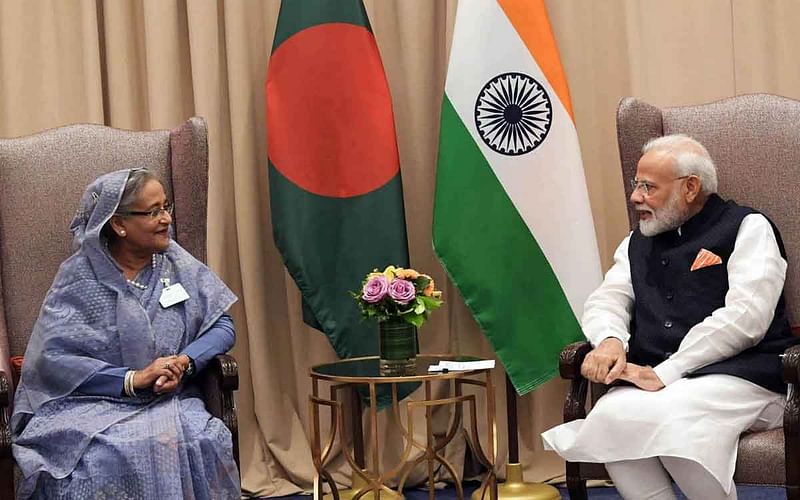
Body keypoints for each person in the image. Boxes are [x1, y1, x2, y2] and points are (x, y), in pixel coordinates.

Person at [541, 134, 799, 500]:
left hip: (746, 376)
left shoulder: (748, 228)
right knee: (611, 417)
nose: (635, 197)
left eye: (648, 187)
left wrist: (666, 372)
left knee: (677, 421)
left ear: (690, 188)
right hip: (663, 382)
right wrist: (611, 340)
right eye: (636, 185)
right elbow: (608, 299)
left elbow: (746, 318)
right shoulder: (636, 241)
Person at [11, 168, 240, 499]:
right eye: (153, 212)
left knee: (198, 440)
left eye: (167, 207)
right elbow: (52, 360)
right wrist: (132, 379)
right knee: (102, 456)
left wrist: (184, 363)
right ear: (119, 224)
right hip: (89, 404)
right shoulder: (79, 277)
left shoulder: (178, 264)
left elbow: (222, 324)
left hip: (169, 399)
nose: (166, 219)